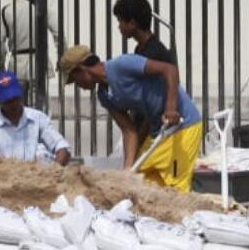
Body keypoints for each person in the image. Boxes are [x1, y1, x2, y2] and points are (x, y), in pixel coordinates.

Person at [57, 44, 202, 192]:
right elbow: (128, 130)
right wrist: (128, 168)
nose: (78, 86)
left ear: (82, 70)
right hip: (159, 131)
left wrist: (170, 108)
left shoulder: (122, 65)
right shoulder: (104, 95)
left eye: (74, 80)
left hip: (183, 126)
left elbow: (169, 70)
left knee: (175, 189)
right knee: (139, 183)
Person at [0, 0, 63, 105]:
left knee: (17, 107)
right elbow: (59, 33)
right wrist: (61, 56)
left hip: (16, 62)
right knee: (39, 106)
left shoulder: (7, 11)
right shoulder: (41, 7)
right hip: (38, 61)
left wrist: (0, 62)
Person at [0, 70, 71, 166]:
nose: (13, 104)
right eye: (8, 101)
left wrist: (54, 172)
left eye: (16, 98)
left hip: (41, 176)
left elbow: (62, 147)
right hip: (4, 178)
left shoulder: (38, 118)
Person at [112, 0, 177, 66]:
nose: (119, 26)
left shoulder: (153, 54)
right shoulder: (141, 48)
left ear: (132, 24)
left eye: (120, 21)